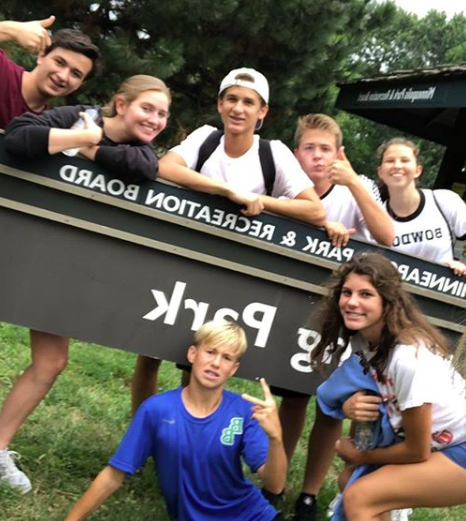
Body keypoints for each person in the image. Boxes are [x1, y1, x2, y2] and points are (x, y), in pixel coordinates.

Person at [1, 74, 169, 494]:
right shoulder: (75, 116)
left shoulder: (138, 149)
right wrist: (82, 134)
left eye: (163, 113)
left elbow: (143, 169)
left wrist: (90, 147)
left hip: (56, 260)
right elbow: (17, 139)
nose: (154, 119)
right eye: (147, 108)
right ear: (120, 103)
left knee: (53, 360)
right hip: (17, 237)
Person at [131, 68, 326, 417]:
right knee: (152, 349)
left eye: (248, 102)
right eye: (232, 99)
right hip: (187, 258)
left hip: (234, 271)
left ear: (262, 111)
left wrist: (263, 201)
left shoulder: (274, 153)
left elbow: (314, 209)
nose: (239, 109)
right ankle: (143, 433)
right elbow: (166, 167)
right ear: (220, 104)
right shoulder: (206, 138)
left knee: (208, 360)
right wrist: (225, 190)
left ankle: (189, 434)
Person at [62, 320, 287, 521]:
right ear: (192, 354)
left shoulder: (244, 411)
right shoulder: (156, 409)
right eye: (210, 352)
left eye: (226, 358)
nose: (216, 363)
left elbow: (274, 485)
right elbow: (113, 475)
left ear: (233, 369)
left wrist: (275, 438)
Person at [286, 114, 395, 521]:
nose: (317, 157)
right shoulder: (284, 177)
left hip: (347, 312)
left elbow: (386, 236)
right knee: (293, 394)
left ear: (339, 153)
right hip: (292, 301)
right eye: (310, 148)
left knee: (333, 405)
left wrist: (351, 181)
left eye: (326, 149)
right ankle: (275, 482)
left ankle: (310, 495)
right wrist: (318, 221)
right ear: (297, 152)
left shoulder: (356, 186)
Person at [311, 252, 466, 520]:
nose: (352, 302)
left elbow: (416, 451)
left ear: (388, 303)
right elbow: (373, 390)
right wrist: (350, 404)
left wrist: (361, 456)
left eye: (366, 295)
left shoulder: (407, 357)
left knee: (360, 496)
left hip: (459, 448)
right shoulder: (367, 342)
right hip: (441, 445)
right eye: (347, 293)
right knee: (349, 482)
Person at [376, 137, 466, 275]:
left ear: (418, 170)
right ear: (380, 172)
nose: (397, 165)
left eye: (405, 160)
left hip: (440, 294)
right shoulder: (375, 218)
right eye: (390, 161)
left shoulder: (444, 201)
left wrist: (461, 265)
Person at [0, 18, 100, 129]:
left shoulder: (50, 126)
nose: (63, 76)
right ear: (41, 55)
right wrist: (11, 30)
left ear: (80, 84)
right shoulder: (3, 70)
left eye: (75, 74)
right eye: (59, 63)